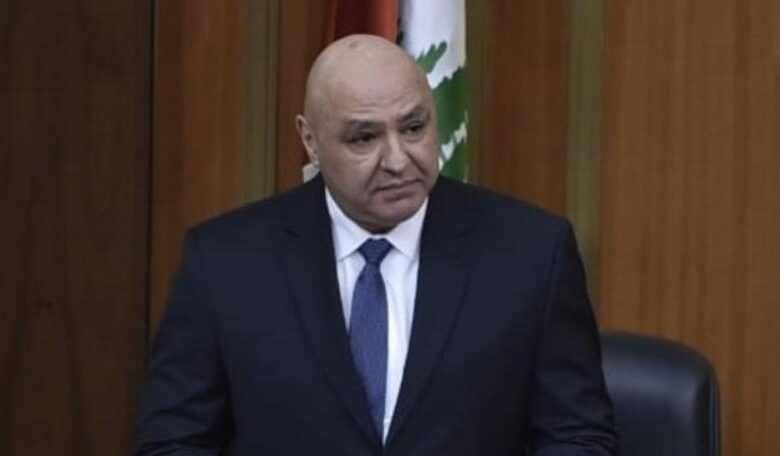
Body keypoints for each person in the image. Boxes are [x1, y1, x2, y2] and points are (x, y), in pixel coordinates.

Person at [136, 34, 617, 455]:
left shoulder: (531, 253)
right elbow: (174, 441)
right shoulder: (224, 263)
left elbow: (577, 435)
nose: (398, 160)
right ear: (310, 140)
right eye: (364, 138)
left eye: (414, 128)